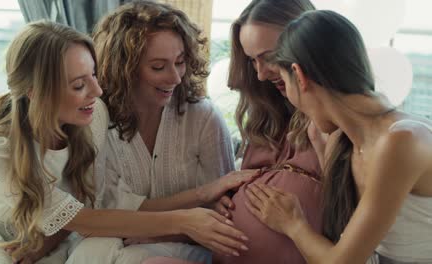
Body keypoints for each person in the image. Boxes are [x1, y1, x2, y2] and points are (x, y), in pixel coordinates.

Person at [0, 21, 250, 264]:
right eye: (78, 85)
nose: (97, 91)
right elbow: (81, 219)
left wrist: (204, 195)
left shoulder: (92, 116)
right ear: (36, 92)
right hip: (3, 245)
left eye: (93, 76)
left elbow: (104, 209)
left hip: (63, 237)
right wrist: (184, 220)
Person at [65, 1, 258, 263]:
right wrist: (191, 206)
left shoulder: (203, 119)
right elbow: (100, 213)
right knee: (93, 251)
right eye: (158, 67)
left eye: (180, 62)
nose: (176, 77)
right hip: (111, 244)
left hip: (185, 248)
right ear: (126, 69)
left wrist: (157, 234)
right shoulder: (96, 118)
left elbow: (225, 218)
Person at [144, 1, 326, 264]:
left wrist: (294, 226)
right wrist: (224, 203)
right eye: (252, 60)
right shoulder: (266, 120)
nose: (261, 74)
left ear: (308, 43)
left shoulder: (331, 128)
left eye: (270, 56)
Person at [245, 10, 432, 264]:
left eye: (284, 83)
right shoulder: (343, 141)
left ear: (299, 76)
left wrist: (293, 224)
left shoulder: (401, 141)